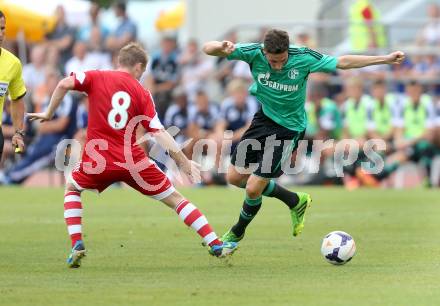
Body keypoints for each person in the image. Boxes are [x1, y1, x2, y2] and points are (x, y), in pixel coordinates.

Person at [27, 43, 237, 268]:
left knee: (72, 188)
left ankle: (77, 243)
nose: (142, 76)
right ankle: (214, 243)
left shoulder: (95, 77)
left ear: (120, 61)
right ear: (138, 67)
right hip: (133, 161)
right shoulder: (141, 92)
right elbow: (159, 132)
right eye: (143, 72)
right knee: (176, 200)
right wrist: (184, 162)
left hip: (98, 160)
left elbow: (63, 83)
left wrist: (49, 113)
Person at [202, 28, 405, 244]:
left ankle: (236, 233)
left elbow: (342, 62)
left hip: (289, 129)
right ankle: (295, 200)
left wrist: (385, 58)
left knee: (253, 188)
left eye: (281, 60)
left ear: (288, 51)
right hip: (263, 120)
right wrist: (220, 47)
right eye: (273, 61)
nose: (278, 66)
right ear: (264, 52)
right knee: (233, 177)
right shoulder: (253, 52)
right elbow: (208, 48)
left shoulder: (303, 57)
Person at [0, 10, 26, 162]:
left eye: (2, 28)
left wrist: (18, 132)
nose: (0, 33)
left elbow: (16, 99)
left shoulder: (13, 63)